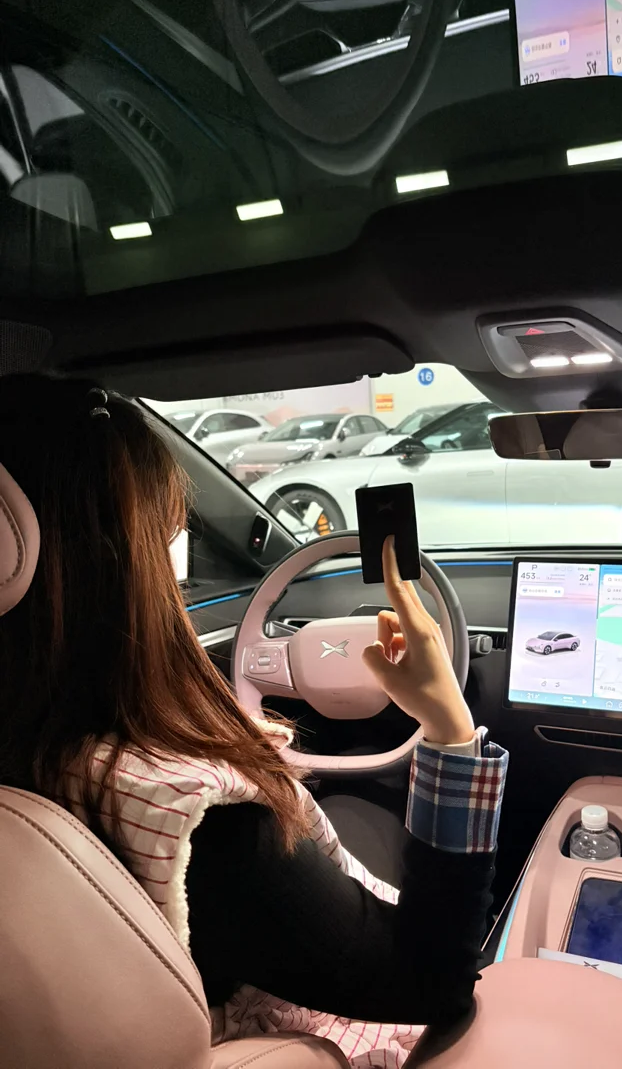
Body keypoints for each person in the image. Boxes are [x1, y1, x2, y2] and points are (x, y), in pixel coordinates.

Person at [0, 375, 508, 1068]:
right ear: (129, 562)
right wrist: (448, 727)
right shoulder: (208, 827)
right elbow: (434, 982)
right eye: (169, 532)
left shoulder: (38, 751)